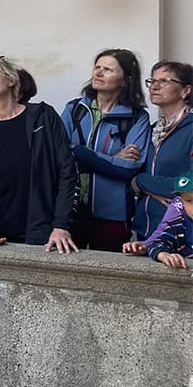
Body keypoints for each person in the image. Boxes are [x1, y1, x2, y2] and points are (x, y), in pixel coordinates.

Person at [0, 57, 78, 252]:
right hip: (0, 238)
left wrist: (61, 226)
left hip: (46, 235)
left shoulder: (43, 117)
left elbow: (67, 173)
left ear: (11, 80)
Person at [60, 48, 150, 252]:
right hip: (70, 210)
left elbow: (127, 169)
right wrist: (111, 158)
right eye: (97, 67)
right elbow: (58, 154)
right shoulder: (74, 109)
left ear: (126, 80)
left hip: (112, 215)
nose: (98, 73)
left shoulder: (137, 117)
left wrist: (79, 151)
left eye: (108, 69)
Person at [129, 61, 193, 242]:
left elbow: (190, 183)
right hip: (145, 230)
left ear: (185, 90)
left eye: (164, 81)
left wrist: (142, 182)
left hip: (180, 234)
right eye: (152, 81)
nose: (154, 86)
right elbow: (131, 174)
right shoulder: (152, 130)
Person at [124, 173, 193, 270]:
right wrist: (164, 255)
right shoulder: (179, 225)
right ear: (181, 202)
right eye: (189, 201)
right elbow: (157, 243)